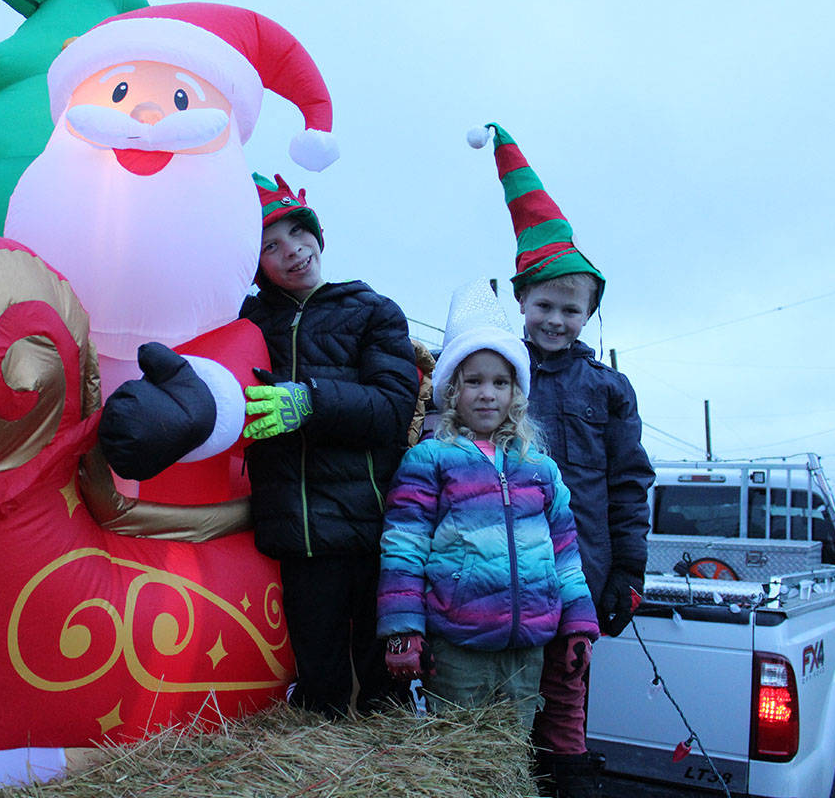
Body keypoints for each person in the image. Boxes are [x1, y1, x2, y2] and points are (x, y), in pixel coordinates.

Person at [471, 122, 655, 797]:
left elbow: (629, 484)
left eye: (571, 310)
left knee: (565, 702)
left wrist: (628, 570)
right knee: (498, 703)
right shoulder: (494, 377)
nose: (556, 319)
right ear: (520, 300)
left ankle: (562, 780)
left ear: (589, 314)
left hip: (582, 575)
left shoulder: (608, 389)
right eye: (545, 304)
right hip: (498, 572)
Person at [376, 279, 600, 746]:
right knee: (458, 755)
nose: (487, 394)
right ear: (452, 390)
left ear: (516, 392)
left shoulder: (540, 468)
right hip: (459, 647)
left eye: (500, 382)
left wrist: (578, 625)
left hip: (529, 649)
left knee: (510, 755)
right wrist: (402, 630)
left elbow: (565, 555)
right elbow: (403, 550)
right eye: (473, 381)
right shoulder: (429, 460)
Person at [239, 173, 419, 719]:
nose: (292, 250)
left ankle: (390, 753)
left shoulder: (373, 311)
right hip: (296, 535)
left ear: (318, 235)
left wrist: (310, 401)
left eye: (298, 232)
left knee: (382, 686)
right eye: (271, 245)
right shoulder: (248, 321)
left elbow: (392, 409)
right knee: (319, 685)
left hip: (368, 528)